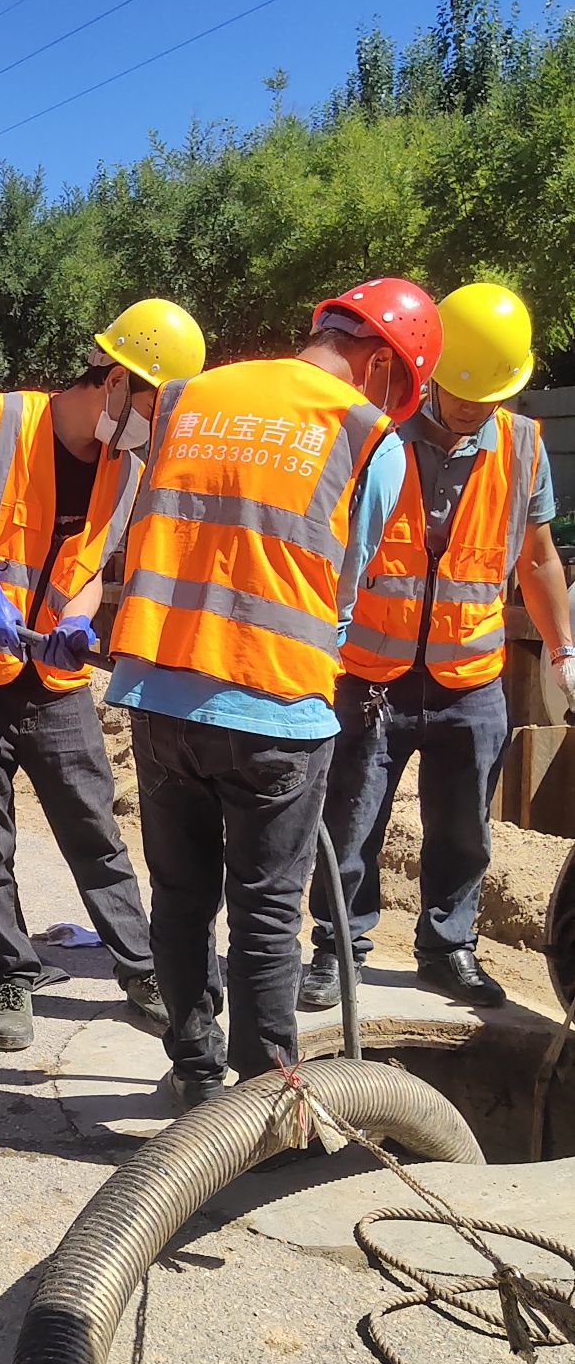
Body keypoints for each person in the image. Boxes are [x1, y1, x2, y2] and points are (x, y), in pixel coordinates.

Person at [106, 277, 437, 1107]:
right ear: (380, 364)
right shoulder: (368, 435)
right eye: (402, 385)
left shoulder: (189, 396)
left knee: (181, 900)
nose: (396, 401)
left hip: (161, 692)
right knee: (264, 917)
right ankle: (261, 1107)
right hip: (275, 707)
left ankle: (193, 1077)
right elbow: (344, 582)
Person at [0, 298, 206, 1052]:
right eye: (153, 403)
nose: (155, 422)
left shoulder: (128, 466)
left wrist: (75, 622)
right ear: (114, 378)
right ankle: (9, 969)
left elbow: (87, 566)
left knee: (94, 825)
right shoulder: (6, 420)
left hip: (52, 676)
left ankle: (141, 966)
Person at [301, 283, 574, 1012]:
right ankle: (337, 949)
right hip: (369, 674)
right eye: (457, 391)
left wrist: (562, 649)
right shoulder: (372, 431)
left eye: (486, 397)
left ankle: (447, 948)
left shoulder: (521, 447)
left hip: (470, 679)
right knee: (351, 820)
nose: (469, 408)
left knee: (465, 830)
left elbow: (540, 558)